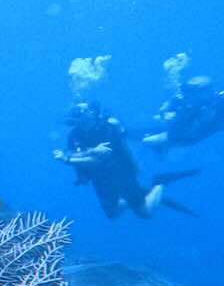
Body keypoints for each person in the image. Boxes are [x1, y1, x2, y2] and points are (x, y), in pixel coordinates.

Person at [54, 103, 199, 218]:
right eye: (74, 112)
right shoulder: (74, 134)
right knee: (112, 213)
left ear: (91, 113)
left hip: (122, 175)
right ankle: (138, 197)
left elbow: (98, 158)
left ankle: (159, 182)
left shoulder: (107, 128)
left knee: (145, 213)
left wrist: (68, 160)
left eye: (80, 111)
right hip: (100, 179)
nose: (76, 115)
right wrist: (80, 173)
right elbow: (76, 154)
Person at [143, 75, 224, 150]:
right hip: (179, 131)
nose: (188, 94)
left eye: (193, 91)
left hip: (187, 136)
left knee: (147, 141)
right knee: (145, 138)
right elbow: (162, 112)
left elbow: (194, 132)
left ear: (207, 92)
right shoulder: (180, 99)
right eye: (187, 90)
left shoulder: (219, 102)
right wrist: (167, 113)